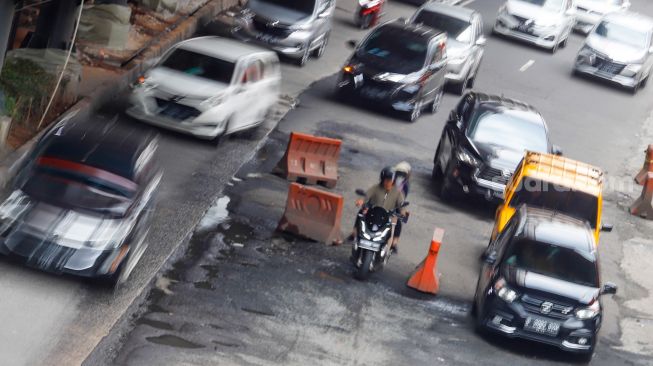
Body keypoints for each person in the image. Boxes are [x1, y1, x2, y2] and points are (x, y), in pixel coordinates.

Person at [352, 166, 408, 253]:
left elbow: (401, 205)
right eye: (386, 180)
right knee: (361, 213)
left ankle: (394, 243)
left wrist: (403, 212)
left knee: (398, 224)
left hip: (388, 216)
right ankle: (354, 233)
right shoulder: (375, 188)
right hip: (373, 212)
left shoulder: (398, 192)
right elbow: (366, 195)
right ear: (382, 179)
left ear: (393, 180)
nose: (388, 182)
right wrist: (361, 201)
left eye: (390, 180)